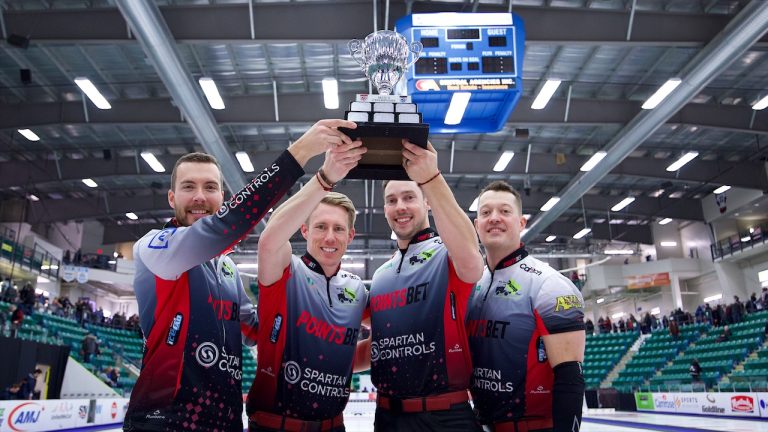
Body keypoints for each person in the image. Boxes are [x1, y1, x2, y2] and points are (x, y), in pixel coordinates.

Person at [123, 119, 356, 432]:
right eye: (188, 187)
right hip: (167, 421)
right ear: (171, 198)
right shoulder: (155, 246)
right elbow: (225, 227)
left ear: (221, 196)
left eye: (209, 188)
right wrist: (302, 156)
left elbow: (258, 331)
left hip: (225, 422)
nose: (199, 197)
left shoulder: (228, 270)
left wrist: (329, 324)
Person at [246, 141, 368, 431]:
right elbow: (269, 240)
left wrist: (341, 361)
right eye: (321, 227)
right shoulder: (286, 269)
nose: (329, 237)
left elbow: (392, 333)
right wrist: (324, 178)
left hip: (333, 426)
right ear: (304, 230)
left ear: (350, 236)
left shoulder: (357, 289)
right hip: (274, 425)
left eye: (338, 229)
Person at [368, 140, 484, 432]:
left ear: (426, 202)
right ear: (384, 209)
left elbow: (471, 255)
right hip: (387, 417)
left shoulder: (447, 254)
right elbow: (375, 346)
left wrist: (432, 178)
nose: (400, 207)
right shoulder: (380, 275)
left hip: (445, 417)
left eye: (409, 197)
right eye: (392, 200)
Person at [467, 181, 586, 432]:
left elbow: (570, 378)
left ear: (521, 223)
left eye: (505, 211)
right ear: (476, 226)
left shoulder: (550, 285)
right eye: (486, 213)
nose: (494, 218)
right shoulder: (471, 284)